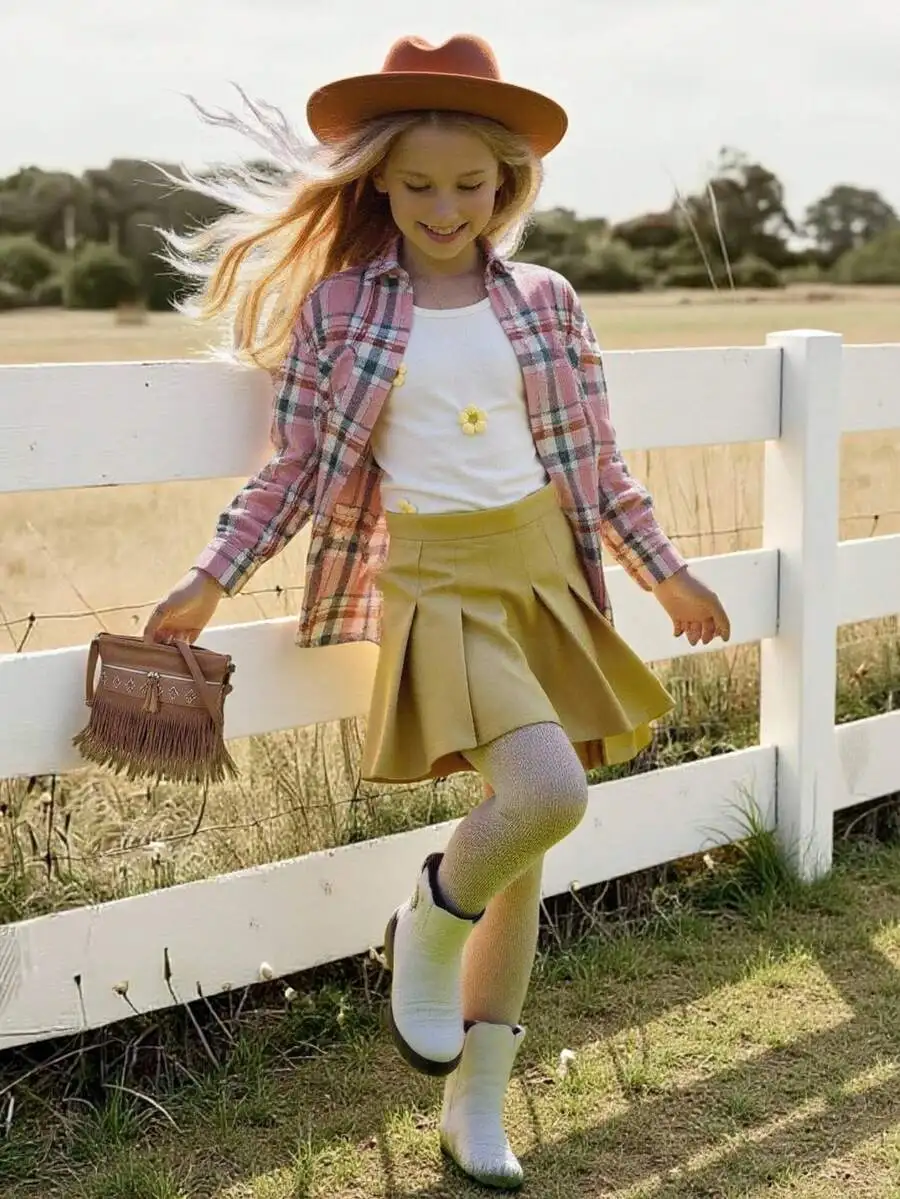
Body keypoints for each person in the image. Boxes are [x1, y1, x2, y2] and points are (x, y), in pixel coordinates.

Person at [144, 33, 731, 1190]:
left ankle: (476, 1105)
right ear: (377, 181)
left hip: (544, 575)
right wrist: (213, 573)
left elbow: (596, 466)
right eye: (418, 183)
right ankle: (426, 914)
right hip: (442, 584)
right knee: (546, 792)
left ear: (506, 185)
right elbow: (298, 469)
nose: (445, 206)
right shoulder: (345, 309)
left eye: (471, 183)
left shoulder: (548, 303)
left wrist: (662, 567)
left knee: (529, 851)